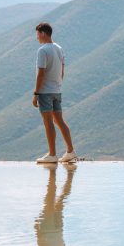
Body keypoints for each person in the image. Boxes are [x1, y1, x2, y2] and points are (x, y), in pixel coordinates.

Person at [33, 22, 78, 163]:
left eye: (38, 34)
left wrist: (36, 93)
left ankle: (52, 155)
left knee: (48, 122)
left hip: (45, 91)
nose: (37, 38)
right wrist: (58, 85)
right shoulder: (59, 48)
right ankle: (70, 151)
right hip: (57, 90)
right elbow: (62, 70)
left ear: (43, 33)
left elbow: (41, 73)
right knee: (59, 121)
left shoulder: (42, 50)